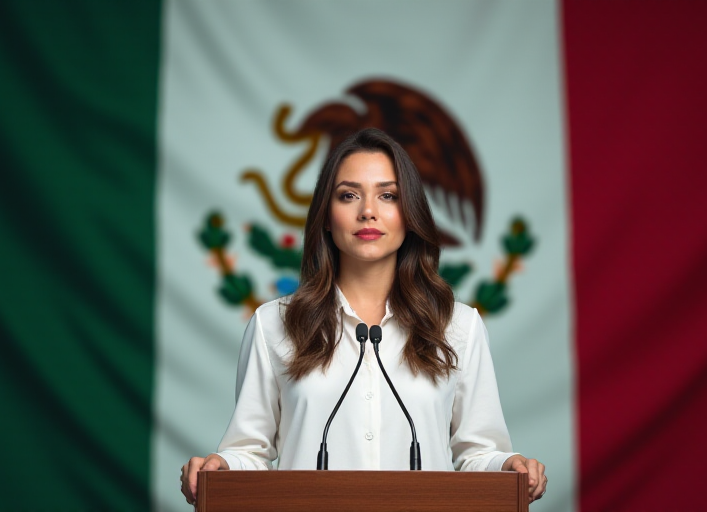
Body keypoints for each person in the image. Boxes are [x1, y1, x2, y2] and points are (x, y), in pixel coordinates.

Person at [180, 128, 547, 504]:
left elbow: (478, 453)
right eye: (349, 195)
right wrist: (221, 468)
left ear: (410, 215)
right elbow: (249, 451)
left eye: (388, 196)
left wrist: (508, 467)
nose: (367, 211)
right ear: (326, 215)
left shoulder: (458, 326)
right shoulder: (272, 324)